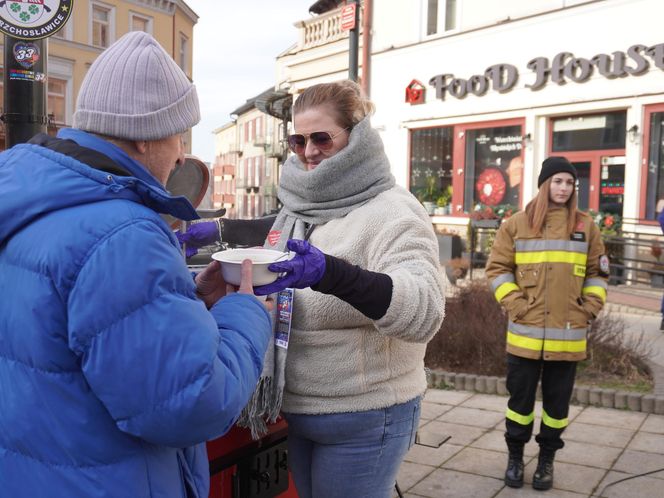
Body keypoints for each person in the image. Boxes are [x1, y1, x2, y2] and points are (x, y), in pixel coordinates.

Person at [0, 32, 272, 497]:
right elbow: (190, 405)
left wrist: (187, 301)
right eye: (179, 133)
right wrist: (243, 313)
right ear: (146, 138)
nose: (183, 153)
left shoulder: (28, 199)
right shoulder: (124, 234)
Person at [179, 80, 446, 498]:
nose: (308, 152)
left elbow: (425, 309)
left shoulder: (395, 211)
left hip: (365, 414)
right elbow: (268, 229)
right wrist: (218, 234)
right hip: (299, 408)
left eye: (321, 138)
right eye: (297, 140)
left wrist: (330, 275)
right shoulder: (301, 207)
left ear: (356, 137)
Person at [486, 156, 608, 491]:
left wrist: (590, 308)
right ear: (544, 184)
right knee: (519, 405)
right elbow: (497, 270)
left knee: (556, 409)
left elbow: (598, 274)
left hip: (567, 339)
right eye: (558, 181)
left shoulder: (586, 226)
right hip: (524, 336)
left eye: (569, 183)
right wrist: (515, 305)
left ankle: (546, 461)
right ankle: (514, 458)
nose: (564, 188)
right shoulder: (516, 224)